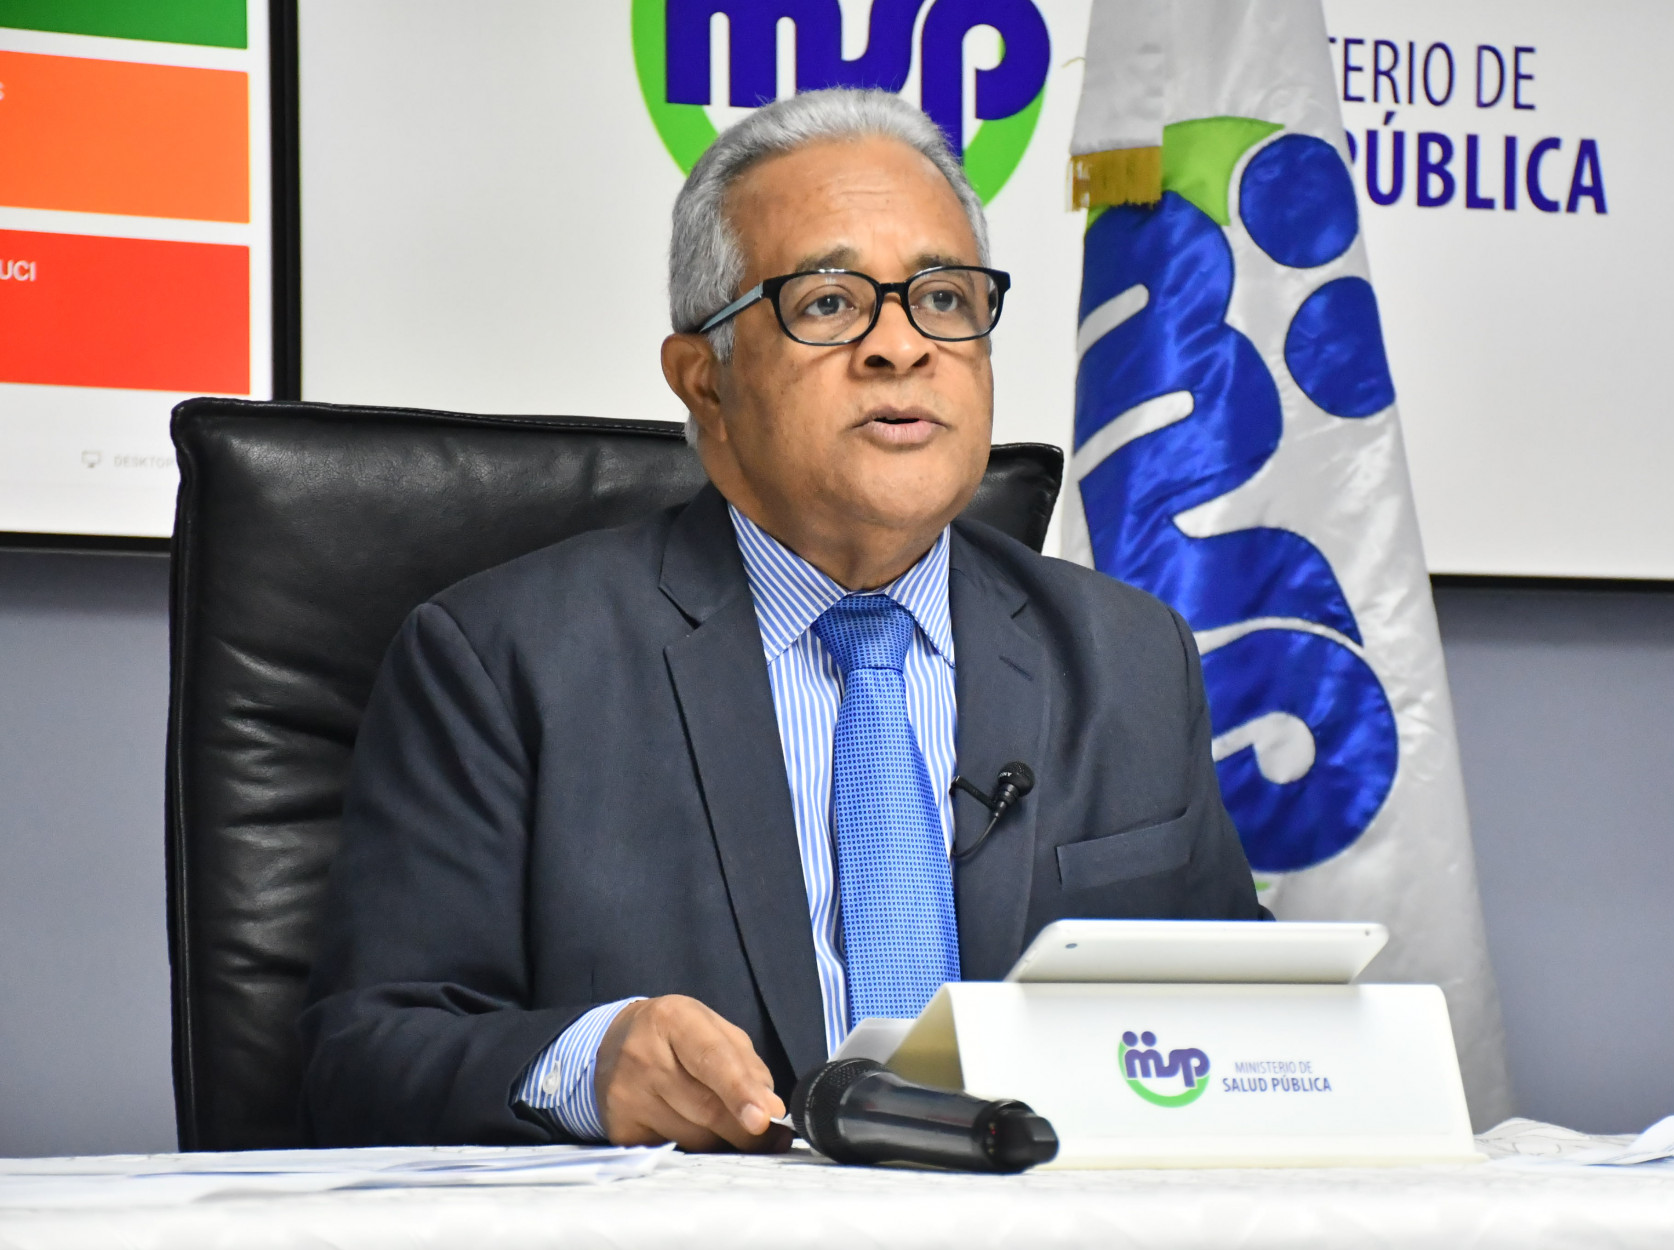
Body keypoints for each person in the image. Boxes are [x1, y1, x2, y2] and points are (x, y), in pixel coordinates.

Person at [300, 88, 1261, 1152]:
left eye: (944, 297)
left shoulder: (1131, 659)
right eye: (830, 302)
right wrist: (587, 1064)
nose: (902, 347)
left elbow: (1258, 1023)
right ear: (704, 381)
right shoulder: (504, 663)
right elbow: (363, 1055)